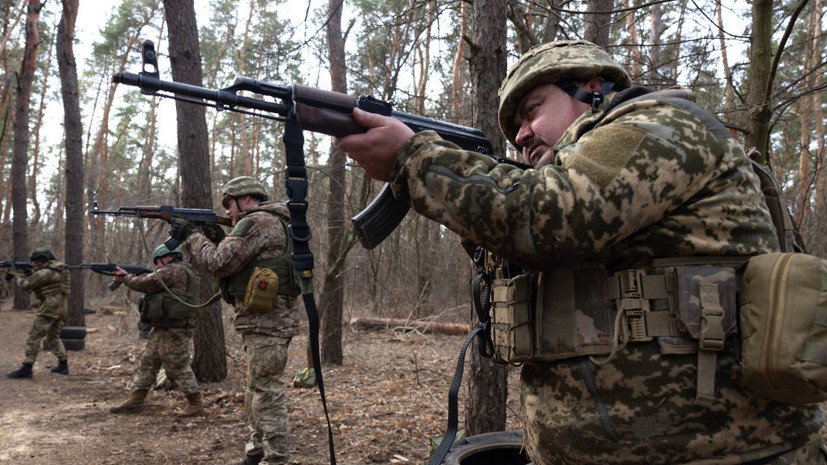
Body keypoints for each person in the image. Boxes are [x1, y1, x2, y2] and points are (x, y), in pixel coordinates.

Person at [333, 40, 826, 464]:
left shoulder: (659, 124)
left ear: (592, 89)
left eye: (531, 111)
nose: (521, 135)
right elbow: (523, 250)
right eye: (514, 128)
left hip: (723, 451)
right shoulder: (581, 171)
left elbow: (551, 219)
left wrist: (415, 158)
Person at [168, 176, 302, 465]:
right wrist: (217, 239)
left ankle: (276, 459)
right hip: (266, 322)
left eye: (230, 204)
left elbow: (218, 263)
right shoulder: (274, 221)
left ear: (246, 198)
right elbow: (241, 260)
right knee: (256, 389)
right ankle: (256, 452)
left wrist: (192, 236)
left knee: (266, 393)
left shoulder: (257, 221)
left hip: (268, 324)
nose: (228, 212)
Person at [109, 244, 203, 417]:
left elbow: (146, 283)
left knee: (178, 366)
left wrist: (126, 278)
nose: (158, 267)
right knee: (148, 362)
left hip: (175, 328)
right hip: (163, 326)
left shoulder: (173, 270)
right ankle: (136, 400)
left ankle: (195, 403)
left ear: (166, 258)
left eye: (158, 263)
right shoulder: (179, 271)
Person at [7, 248, 70, 378]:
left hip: (49, 309)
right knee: (53, 338)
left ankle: (27, 368)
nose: (33, 265)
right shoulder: (60, 270)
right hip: (61, 308)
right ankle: (63, 365)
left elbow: (26, 285)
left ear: (41, 262)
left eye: (35, 262)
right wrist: (29, 272)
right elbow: (42, 279)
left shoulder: (44, 273)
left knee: (34, 337)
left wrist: (15, 276)